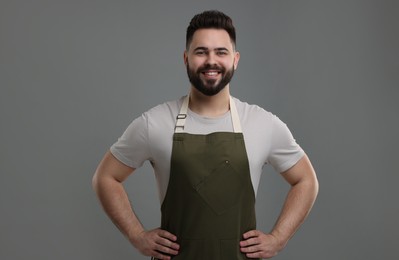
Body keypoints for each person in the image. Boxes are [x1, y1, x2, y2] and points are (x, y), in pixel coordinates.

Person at [92, 10, 319, 260]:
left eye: (221, 52)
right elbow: (105, 177)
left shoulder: (263, 123)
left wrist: (278, 238)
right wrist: (137, 235)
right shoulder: (154, 123)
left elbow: (306, 181)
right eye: (201, 52)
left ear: (235, 59)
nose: (211, 61)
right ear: (186, 58)